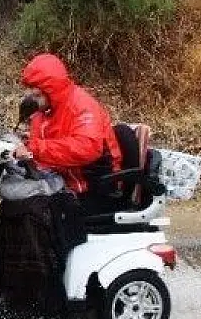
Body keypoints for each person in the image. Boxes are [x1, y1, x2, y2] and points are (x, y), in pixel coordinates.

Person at [11, 53, 123, 211]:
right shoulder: (44, 111)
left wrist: (33, 149)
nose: (30, 95)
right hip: (63, 179)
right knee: (13, 204)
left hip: (93, 187)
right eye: (29, 88)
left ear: (49, 89)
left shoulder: (82, 106)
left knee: (32, 212)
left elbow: (87, 147)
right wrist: (20, 149)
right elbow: (43, 147)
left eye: (35, 90)